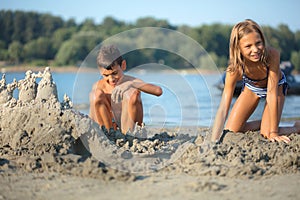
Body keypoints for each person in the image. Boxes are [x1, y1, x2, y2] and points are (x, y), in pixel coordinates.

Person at [211, 19, 300, 144]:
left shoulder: (272, 55)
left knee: (267, 134)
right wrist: (213, 140)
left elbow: (272, 94)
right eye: (248, 46)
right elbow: (223, 108)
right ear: (238, 48)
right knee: (231, 130)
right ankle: (264, 123)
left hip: (276, 88)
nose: (255, 50)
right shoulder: (234, 70)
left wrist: (273, 132)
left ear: (263, 40)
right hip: (252, 88)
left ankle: (296, 127)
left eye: (258, 43)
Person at [89, 45, 163, 134]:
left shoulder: (131, 81)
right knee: (95, 94)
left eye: (115, 73)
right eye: (106, 75)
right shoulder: (99, 86)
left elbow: (158, 91)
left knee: (132, 93)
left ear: (123, 65)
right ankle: (108, 135)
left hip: (130, 130)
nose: (111, 79)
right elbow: (93, 115)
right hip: (110, 129)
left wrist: (130, 84)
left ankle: (128, 136)